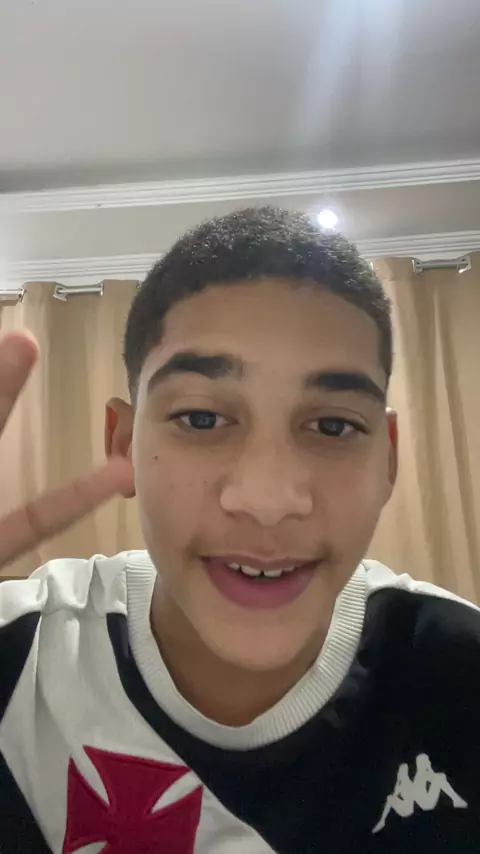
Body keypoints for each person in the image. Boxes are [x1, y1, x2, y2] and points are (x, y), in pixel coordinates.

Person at [0, 206, 478, 854]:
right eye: (201, 419)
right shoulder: (22, 660)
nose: (268, 501)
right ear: (123, 443)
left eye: (333, 426)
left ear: (388, 459)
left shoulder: (457, 669)